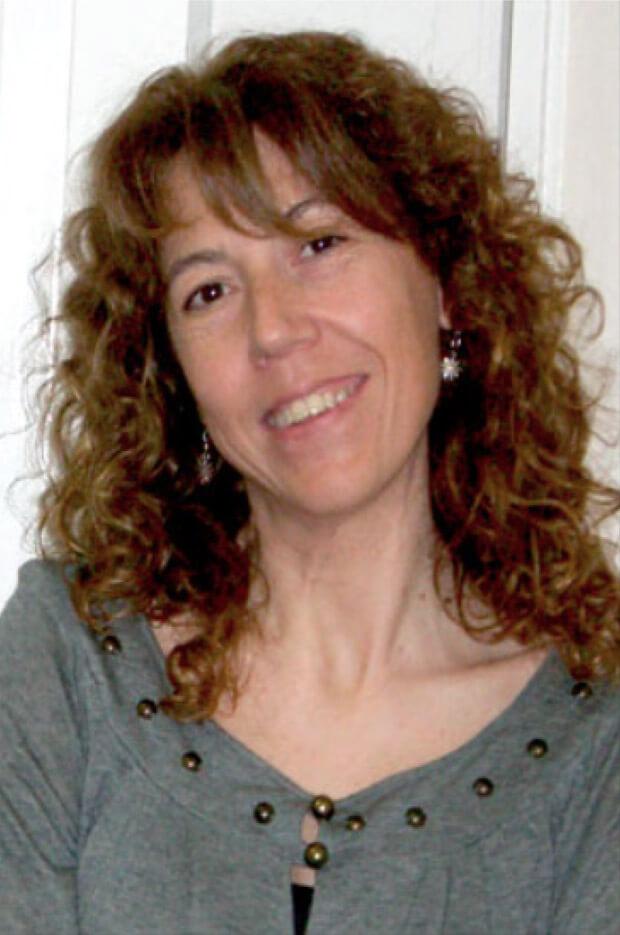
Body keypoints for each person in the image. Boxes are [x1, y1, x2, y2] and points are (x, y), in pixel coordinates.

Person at [0, 30, 618, 935]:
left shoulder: (593, 745)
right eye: (209, 291)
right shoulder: (65, 668)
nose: (274, 330)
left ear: (447, 284)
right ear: (170, 371)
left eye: (319, 243)